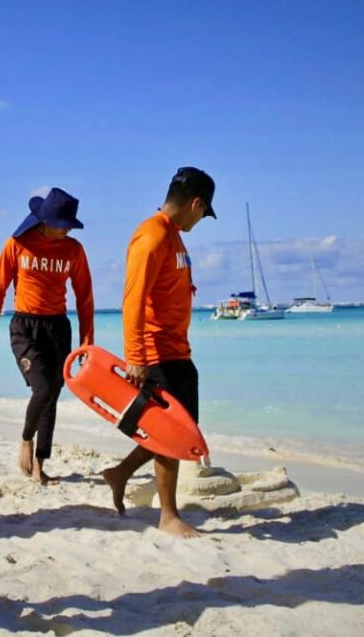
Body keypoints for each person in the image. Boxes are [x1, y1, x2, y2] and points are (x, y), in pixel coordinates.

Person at [101, 166, 216, 538]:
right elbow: (132, 300)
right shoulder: (151, 236)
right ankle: (168, 516)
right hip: (156, 353)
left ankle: (119, 474)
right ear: (195, 203)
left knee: (180, 430)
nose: (201, 219)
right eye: (204, 212)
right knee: (172, 433)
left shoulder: (173, 236)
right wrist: (136, 357)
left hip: (177, 351)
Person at [0, 187, 94, 484]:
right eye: (63, 223)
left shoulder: (74, 250)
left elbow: (85, 297)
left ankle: (39, 466)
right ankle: (25, 440)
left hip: (57, 327)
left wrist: (87, 341)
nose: (68, 228)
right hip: (25, 328)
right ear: (45, 220)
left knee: (53, 393)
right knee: (42, 389)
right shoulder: (17, 244)